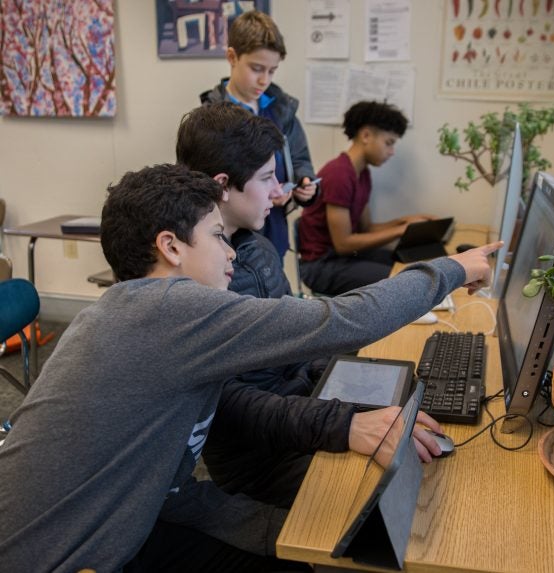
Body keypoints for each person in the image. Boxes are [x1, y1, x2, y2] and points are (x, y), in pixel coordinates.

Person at [0, 163, 501, 571]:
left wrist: (280, 533)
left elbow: (168, 486)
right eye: (218, 237)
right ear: (171, 246)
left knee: (300, 546)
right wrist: (453, 269)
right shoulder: (168, 311)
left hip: (136, 517)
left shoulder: (129, 313)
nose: (230, 255)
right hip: (61, 556)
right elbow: (343, 320)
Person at [175, 101, 326, 504]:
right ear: (223, 185)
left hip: (299, 411)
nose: (279, 192)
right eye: (268, 178)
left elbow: (295, 341)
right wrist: (336, 423)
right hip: (260, 456)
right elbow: (233, 406)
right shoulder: (198, 277)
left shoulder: (258, 248)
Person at [200, 10, 317, 261]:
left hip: (273, 232)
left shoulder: (281, 110)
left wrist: (304, 184)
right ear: (232, 57)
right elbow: (205, 184)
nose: (264, 79)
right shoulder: (212, 117)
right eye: (256, 68)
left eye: (272, 71)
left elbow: (300, 159)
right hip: (229, 241)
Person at [298, 100, 434, 296]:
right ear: (366, 135)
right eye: (389, 143)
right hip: (322, 266)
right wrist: (401, 230)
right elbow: (343, 243)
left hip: (344, 257)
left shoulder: (361, 174)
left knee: (410, 265)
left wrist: (405, 222)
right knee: (404, 280)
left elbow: (367, 228)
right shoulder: (339, 174)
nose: (391, 151)